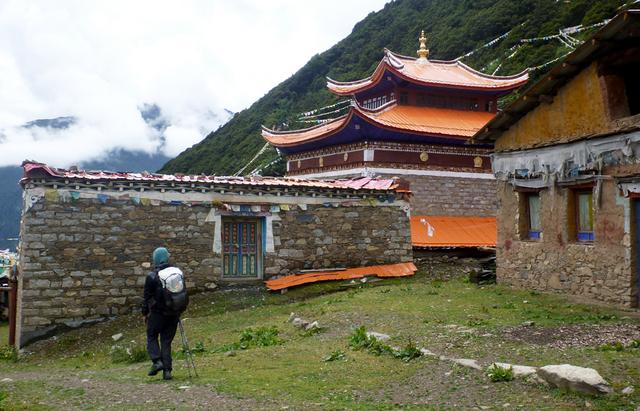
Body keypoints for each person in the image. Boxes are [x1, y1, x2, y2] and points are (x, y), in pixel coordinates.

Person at [142, 247, 188, 380]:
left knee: (151, 335)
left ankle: (157, 361)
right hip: (173, 313)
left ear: (155, 259)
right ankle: (167, 372)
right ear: (166, 258)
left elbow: (146, 298)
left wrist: (144, 314)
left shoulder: (151, 276)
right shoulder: (177, 273)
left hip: (157, 314)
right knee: (166, 342)